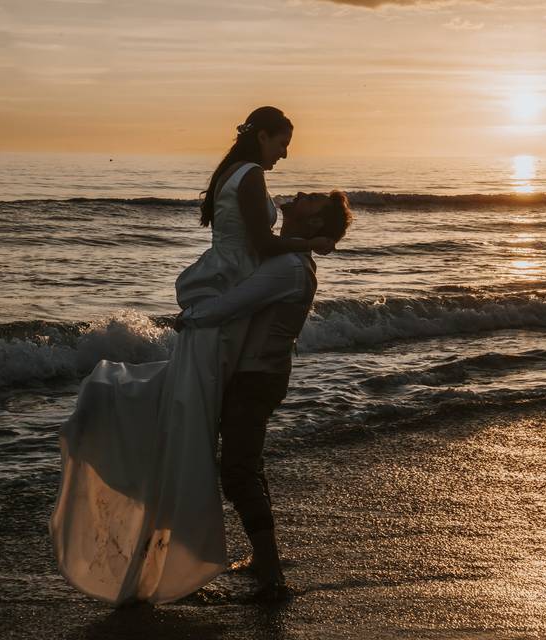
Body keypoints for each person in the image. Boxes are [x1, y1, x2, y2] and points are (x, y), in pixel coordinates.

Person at [50, 107, 335, 606]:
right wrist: (309, 242)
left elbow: (260, 258)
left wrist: (207, 313)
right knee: (202, 436)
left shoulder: (237, 177)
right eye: (281, 142)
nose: (286, 154)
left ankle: (237, 561)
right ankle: (207, 555)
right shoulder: (251, 183)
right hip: (228, 302)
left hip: (232, 312)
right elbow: (262, 244)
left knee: (214, 444)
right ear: (262, 136)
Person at [175, 191, 353, 601]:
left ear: (312, 225)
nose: (303, 194)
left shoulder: (289, 268)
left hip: (257, 379)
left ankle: (272, 574)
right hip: (260, 376)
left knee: (238, 470)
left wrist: (189, 317)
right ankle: (264, 558)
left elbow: (233, 304)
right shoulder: (290, 258)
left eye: (313, 202)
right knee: (246, 464)